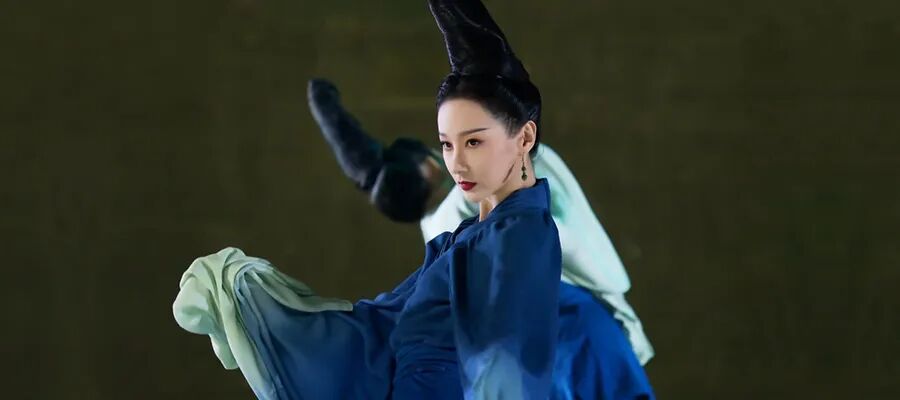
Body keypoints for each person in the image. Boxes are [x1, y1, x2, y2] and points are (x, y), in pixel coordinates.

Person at [173, 1, 655, 398]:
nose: (458, 163)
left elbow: (503, 360)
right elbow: (390, 324)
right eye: (446, 145)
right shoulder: (460, 235)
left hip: (568, 335)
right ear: (428, 162)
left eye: (473, 141)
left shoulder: (511, 229)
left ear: (524, 137)